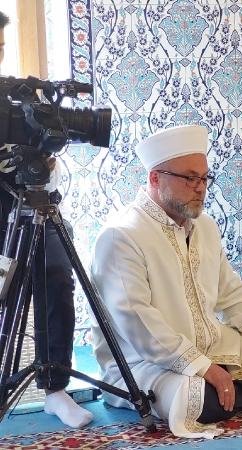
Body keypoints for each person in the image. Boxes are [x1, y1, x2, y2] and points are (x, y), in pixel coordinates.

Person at [90, 125, 242, 438]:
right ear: (155, 178)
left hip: (211, 345)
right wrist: (202, 367)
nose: (200, 188)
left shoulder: (204, 227)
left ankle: (236, 389)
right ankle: (235, 389)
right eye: (189, 178)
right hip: (143, 363)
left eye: (204, 178)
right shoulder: (121, 236)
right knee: (198, 400)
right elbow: (139, 325)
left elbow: (232, 291)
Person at [0, 11, 93, 428]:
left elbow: (45, 161)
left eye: (1, 48)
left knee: (57, 274)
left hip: (31, 206)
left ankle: (55, 388)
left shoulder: (20, 97)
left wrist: (46, 152)